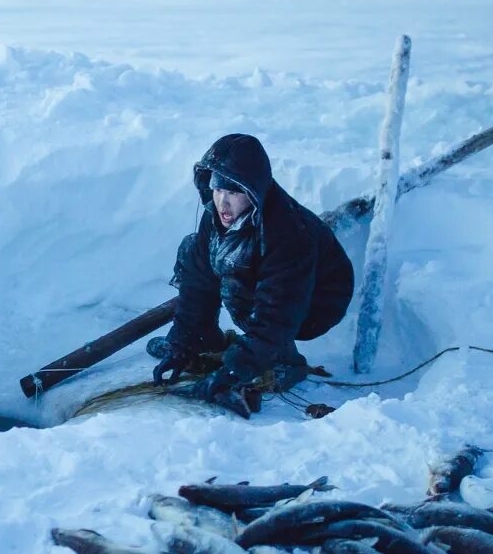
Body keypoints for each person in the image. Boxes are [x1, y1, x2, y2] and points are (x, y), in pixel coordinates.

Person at [148, 133, 354, 417]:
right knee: (194, 251)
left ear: (253, 190)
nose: (222, 202)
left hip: (317, 301)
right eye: (218, 190)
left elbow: (276, 315)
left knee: (236, 281)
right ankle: (204, 339)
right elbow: (199, 282)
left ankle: (283, 359)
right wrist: (182, 341)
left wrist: (236, 370)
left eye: (233, 192)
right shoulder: (217, 215)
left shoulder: (287, 233)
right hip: (281, 290)